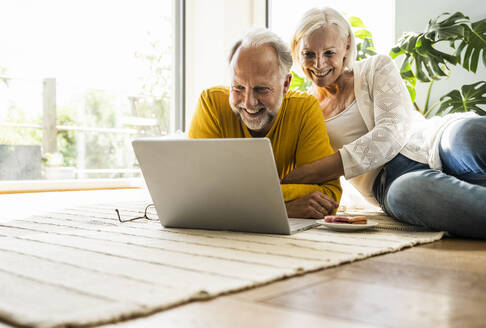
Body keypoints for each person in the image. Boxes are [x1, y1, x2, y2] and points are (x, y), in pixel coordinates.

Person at [283, 7, 486, 238]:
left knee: (466, 134)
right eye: (309, 54)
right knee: (407, 193)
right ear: (297, 53)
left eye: (329, 52)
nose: (319, 64)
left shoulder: (375, 68)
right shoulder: (307, 109)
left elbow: (391, 134)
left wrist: (307, 173)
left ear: (346, 46)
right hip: (389, 183)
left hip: (432, 142)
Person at [188, 28, 342, 219]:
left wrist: (236, 198)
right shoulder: (211, 103)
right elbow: (196, 195)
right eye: (238, 88)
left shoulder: (303, 109)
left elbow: (329, 195)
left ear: (286, 84)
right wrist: (282, 209)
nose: (248, 102)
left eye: (261, 89)